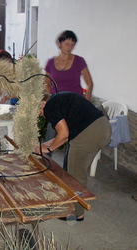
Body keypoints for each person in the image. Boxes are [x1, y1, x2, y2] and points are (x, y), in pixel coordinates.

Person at [35, 92, 111, 221]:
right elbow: (61, 136)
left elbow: (63, 135)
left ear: (42, 103)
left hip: (88, 133)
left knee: (75, 174)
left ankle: (76, 213)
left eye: (39, 110)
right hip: (102, 127)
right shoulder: (58, 99)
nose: (40, 114)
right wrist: (43, 147)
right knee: (78, 170)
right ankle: (74, 206)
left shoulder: (50, 106)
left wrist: (47, 149)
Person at [45, 30, 93, 101]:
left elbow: (90, 84)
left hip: (75, 102)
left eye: (72, 45)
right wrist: (50, 100)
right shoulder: (50, 63)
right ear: (59, 43)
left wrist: (86, 102)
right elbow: (47, 84)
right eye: (67, 44)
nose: (69, 47)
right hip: (57, 102)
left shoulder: (79, 61)